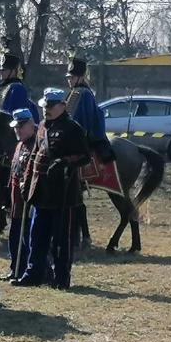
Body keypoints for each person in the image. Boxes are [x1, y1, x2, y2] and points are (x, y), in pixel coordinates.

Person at [13, 88, 89, 289]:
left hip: (63, 193)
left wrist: (65, 161)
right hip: (41, 192)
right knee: (36, 237)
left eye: (51, 106)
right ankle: (34, 274)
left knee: (61, 240)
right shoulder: (42, 127)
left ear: (62, 106)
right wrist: (28, 184)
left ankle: (61, 278)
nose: (46, 110)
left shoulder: (73, 129)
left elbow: (84, 155)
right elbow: (34, 157)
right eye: (45, 106)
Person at [64, 50, 112, 249]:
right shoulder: (74, 92)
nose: (69, 80)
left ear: (81, 76)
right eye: (68, 77)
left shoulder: (83, 93)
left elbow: (80, 124)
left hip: (82, 143)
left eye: (72, 76)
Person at [1, 108, 37, 281]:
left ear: (31, 124)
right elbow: (13, 172)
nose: (18, 130)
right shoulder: (19, 145)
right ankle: (14, 268)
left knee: (28, 239)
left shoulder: (37, 144)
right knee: (14, 236)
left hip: (29, 203)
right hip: (16, 202)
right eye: (16, 127)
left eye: (21, 127)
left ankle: (27, 271)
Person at [0, 38, 40, 121]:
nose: (0, 72)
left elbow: (19, 118)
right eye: (0, 70)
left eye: (4, 70)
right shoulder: (0, 88)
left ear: (13, 71)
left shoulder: (17, 88)